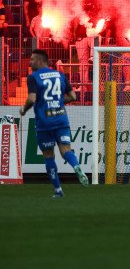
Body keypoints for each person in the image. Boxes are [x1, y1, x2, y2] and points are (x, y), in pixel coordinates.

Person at [19, 50, 89, 197]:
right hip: (61, 119)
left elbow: (31, 99)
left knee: (49, 156)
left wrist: (23, 110)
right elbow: (73, 96)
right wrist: (58, 102)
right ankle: (76, 166)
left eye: (32, 59)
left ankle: (58, 190)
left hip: (44, 122)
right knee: (66, 150)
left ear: (40, 61)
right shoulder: (60, 75)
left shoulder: (33, 77)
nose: (30, 63)